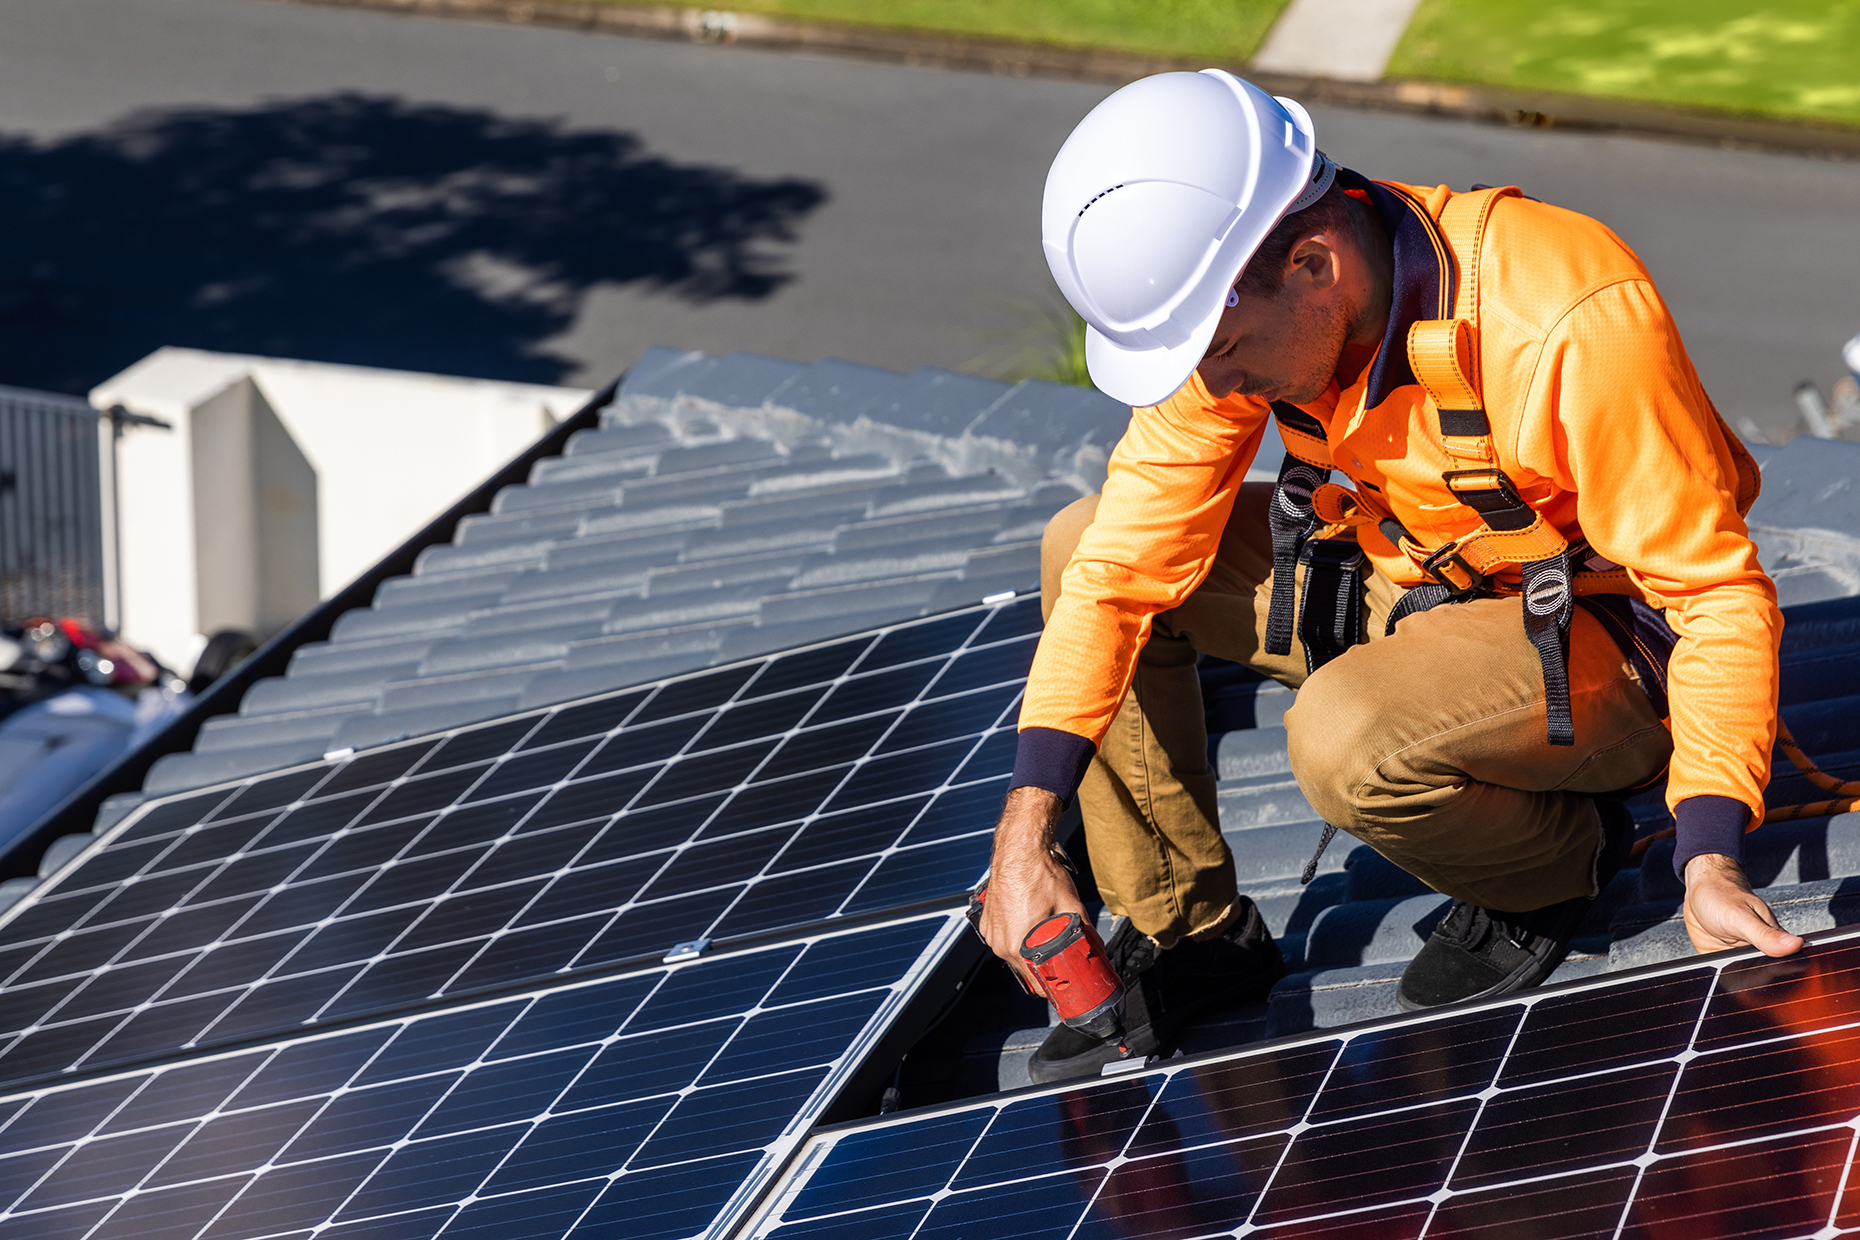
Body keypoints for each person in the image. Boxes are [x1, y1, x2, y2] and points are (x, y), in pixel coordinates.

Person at [977, 69, 1804, 1084]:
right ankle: (1192, 928)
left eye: (1223, 350)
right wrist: (1024, 833)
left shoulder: (1567, 315)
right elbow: (1115, 571)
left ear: (1314, 264)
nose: (1215, 385)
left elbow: (1714, 598)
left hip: (1605, 643)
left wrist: (1709, 853)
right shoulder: (1249, 314)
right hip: (1422, 582)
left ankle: (1550, 865)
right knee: (1080, 541)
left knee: (1343, 738)